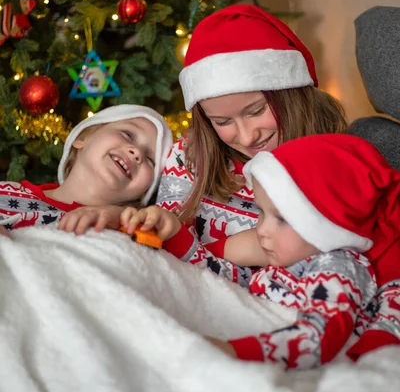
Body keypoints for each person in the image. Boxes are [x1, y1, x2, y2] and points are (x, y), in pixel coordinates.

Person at [122, 133, 400, 369]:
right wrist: (177, 239)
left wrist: (231, 352)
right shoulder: (296, 256)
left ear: (323, 223)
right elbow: (234, 278)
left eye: (281, 219)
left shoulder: (338, 268)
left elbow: (317, 337)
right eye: (262, 214)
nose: (262, 230)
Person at [156, 4, 347, 282]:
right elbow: (162, 251)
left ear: (290, 95)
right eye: (222, 122)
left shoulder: (336, 163)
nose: (246, 137)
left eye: (256, 111)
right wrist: (232, 249)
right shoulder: (188, 157)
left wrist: (222, 250)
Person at [0, 105, 173, 235]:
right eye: (128, 134)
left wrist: (120, 217)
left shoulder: (131, 230)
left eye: (151, 161)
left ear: (142, 194)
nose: (137, 153)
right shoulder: (6, 193)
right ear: (83, 137)